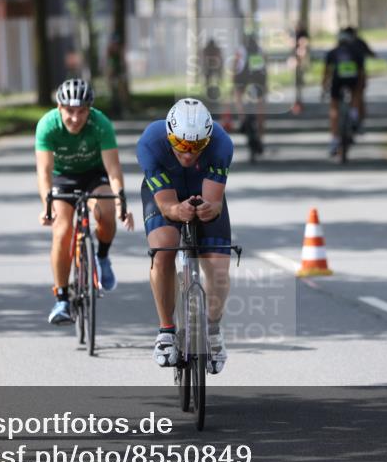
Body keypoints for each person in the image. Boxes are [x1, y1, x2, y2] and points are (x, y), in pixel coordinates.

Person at [136, 99, 234, 374]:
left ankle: (213, 331)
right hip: (164, 193)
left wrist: (207, 210)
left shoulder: (221, 143)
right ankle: (166, 330)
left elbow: (214, 203)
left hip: (203, 192)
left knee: (218, 269)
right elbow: (167, 206)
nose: (188, 155)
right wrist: (176, 210)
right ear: (169, 136)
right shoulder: (150, 143)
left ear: (208, 139)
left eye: (196, 147)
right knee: (163, 252)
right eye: (181, 146)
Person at [37, 78, 134, 325]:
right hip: (63, 177)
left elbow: (113, 170)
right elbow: (44, 172)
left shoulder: (101, 124)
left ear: (89, 110)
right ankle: (61, 298)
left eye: (81, 112)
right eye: (69, 111)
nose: (75, 118)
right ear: (60, 108)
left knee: (106, 211)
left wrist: (121, 202)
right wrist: (46, 206)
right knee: (62, 229)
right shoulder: (47, 125)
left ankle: (101, 256)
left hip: (94, 175)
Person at [322, 28, 366, 157]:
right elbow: (362, 73)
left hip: (337, 81)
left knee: (334, 106)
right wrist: (362, 86)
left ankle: (335, 139)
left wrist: (324, 86)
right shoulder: (357, 52)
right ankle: (354, 116)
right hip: (353, 81)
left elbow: (327, 71)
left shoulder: (332, 52)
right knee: (356, 94)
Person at [228, 33, 267, 140]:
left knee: (238, 95)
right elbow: (264, 66)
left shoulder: (241, 49)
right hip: (257, 76)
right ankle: (260, 131)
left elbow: (235, 65)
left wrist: (233, 81)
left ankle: (242, 117)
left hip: (243, 76)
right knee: (260, 103)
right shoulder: (259, 50)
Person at [343, 25, 377, 127]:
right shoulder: (359, 43)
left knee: (344, 96)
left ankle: (353, 116)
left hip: (340, 76)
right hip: (358, 73)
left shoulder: (342, 44)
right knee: (358, 95)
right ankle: (357, 118)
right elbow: (371, 54)